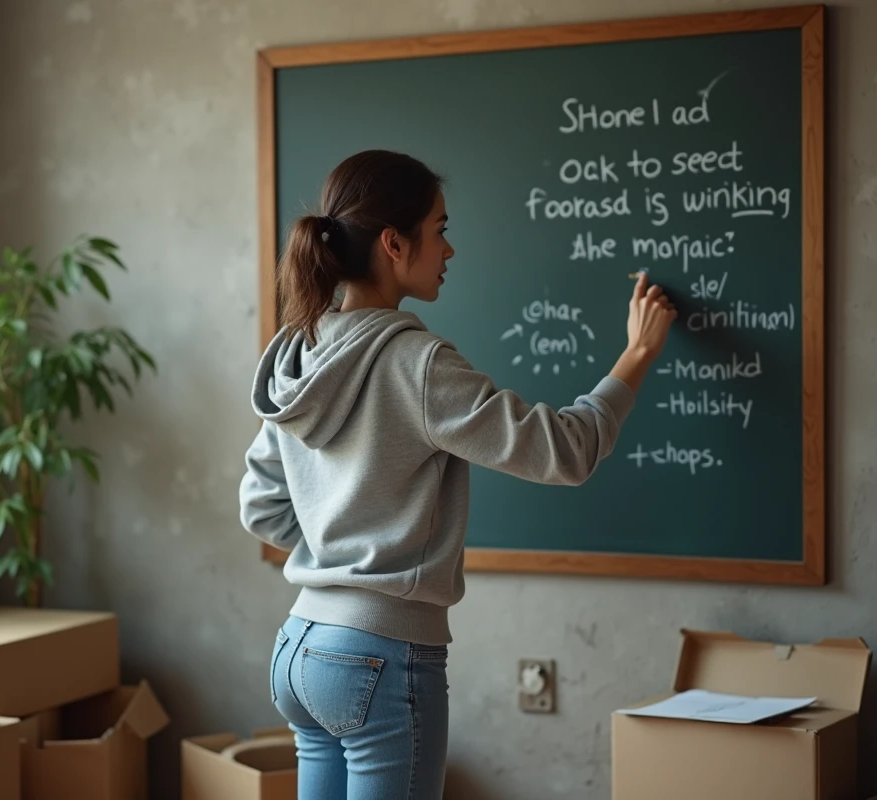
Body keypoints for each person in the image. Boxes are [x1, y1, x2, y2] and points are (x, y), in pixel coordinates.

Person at [238, 149, 676, 799]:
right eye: (440, 230)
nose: (449, 249)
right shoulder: (415, 363)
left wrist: (342, 534)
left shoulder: (302, 351)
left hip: (300, 650)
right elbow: (567, 451)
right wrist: (637, 355)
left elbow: (262, 509)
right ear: (394, 242)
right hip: (378, 657)